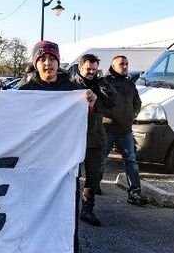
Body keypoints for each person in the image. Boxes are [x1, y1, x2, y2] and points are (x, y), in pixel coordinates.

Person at [19, 41, 97, 253]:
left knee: (65, 209)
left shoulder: (73, 89)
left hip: (64, 163)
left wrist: (90, 102)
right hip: (35, 162)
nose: (48, 64)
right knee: (32, 209)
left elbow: (87, 117)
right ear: (35, 63)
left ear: (58, 61)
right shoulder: (24, 91)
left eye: (52, 59)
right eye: (42, 59)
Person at [73, 54, 117, 226]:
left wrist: (101, 87)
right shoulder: (70, 86)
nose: (91, 72)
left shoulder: (101, 85)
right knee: (71, 176)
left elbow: (113, 103)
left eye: (94, 69)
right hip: (72, 138)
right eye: (88, 69)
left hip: (95, 136)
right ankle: (68, 208)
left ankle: (87, 209)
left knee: (94, 176)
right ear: (80, 68)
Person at [100, 55, 149, 205]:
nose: (125, 66)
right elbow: (99, 105)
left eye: (126, 64)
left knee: (131, 160)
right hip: (108, 129)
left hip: (125, 130)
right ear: (113, 66)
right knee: (100, 159)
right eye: (121, 64)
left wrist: (132, 115)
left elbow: (137, 102)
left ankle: (134, 193)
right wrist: (109, 116)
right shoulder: (105, 83)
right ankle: (93, 187)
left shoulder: (130, 84)